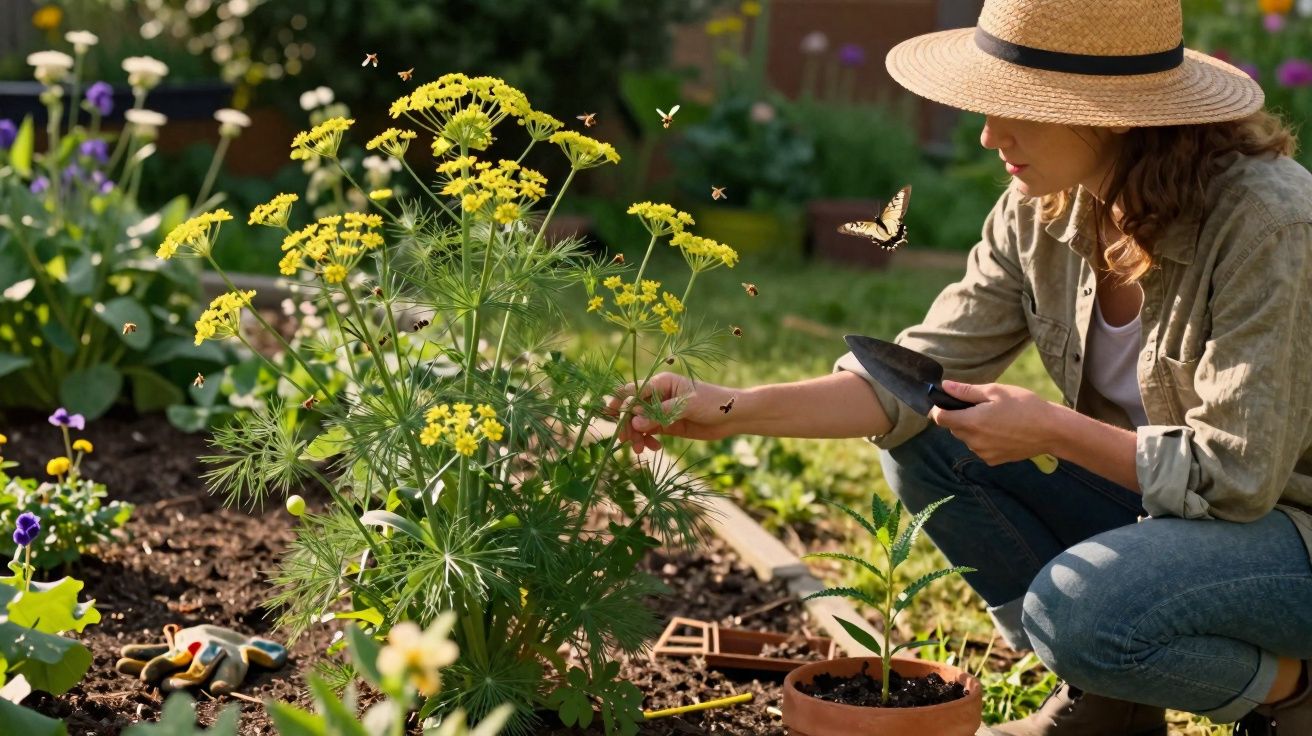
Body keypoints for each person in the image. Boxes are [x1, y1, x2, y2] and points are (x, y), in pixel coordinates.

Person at [608, 0, 1312, 733]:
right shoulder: (1041, 210)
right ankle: (1110, 706)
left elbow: (1237, 479)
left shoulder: (1268, 222)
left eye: (1020, 110)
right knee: (931, 439)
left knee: (1075, 610)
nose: (987, 134)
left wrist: (1053, 432)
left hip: (1289, 531)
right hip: (1174, 520)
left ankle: (1294, 692)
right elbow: (911, 377)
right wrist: (730, 410)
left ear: (1113, 112)